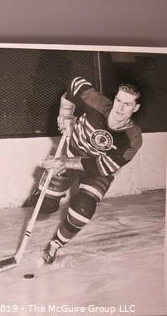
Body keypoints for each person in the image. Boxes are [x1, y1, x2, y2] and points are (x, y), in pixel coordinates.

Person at [30, 76, 142, 264]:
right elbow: (73, 84)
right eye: (119, 100)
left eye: (128, 105)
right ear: (114, 98)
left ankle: (56, 244)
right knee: (43, 204)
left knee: (84, 207)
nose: (120, 109)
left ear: (136, 108)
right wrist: (65, 115)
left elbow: (101, 166)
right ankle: (54, 192)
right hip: (71, 150)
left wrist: (63, 163)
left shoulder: (133, 138)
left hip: (97, 171)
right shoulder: (97, 103)